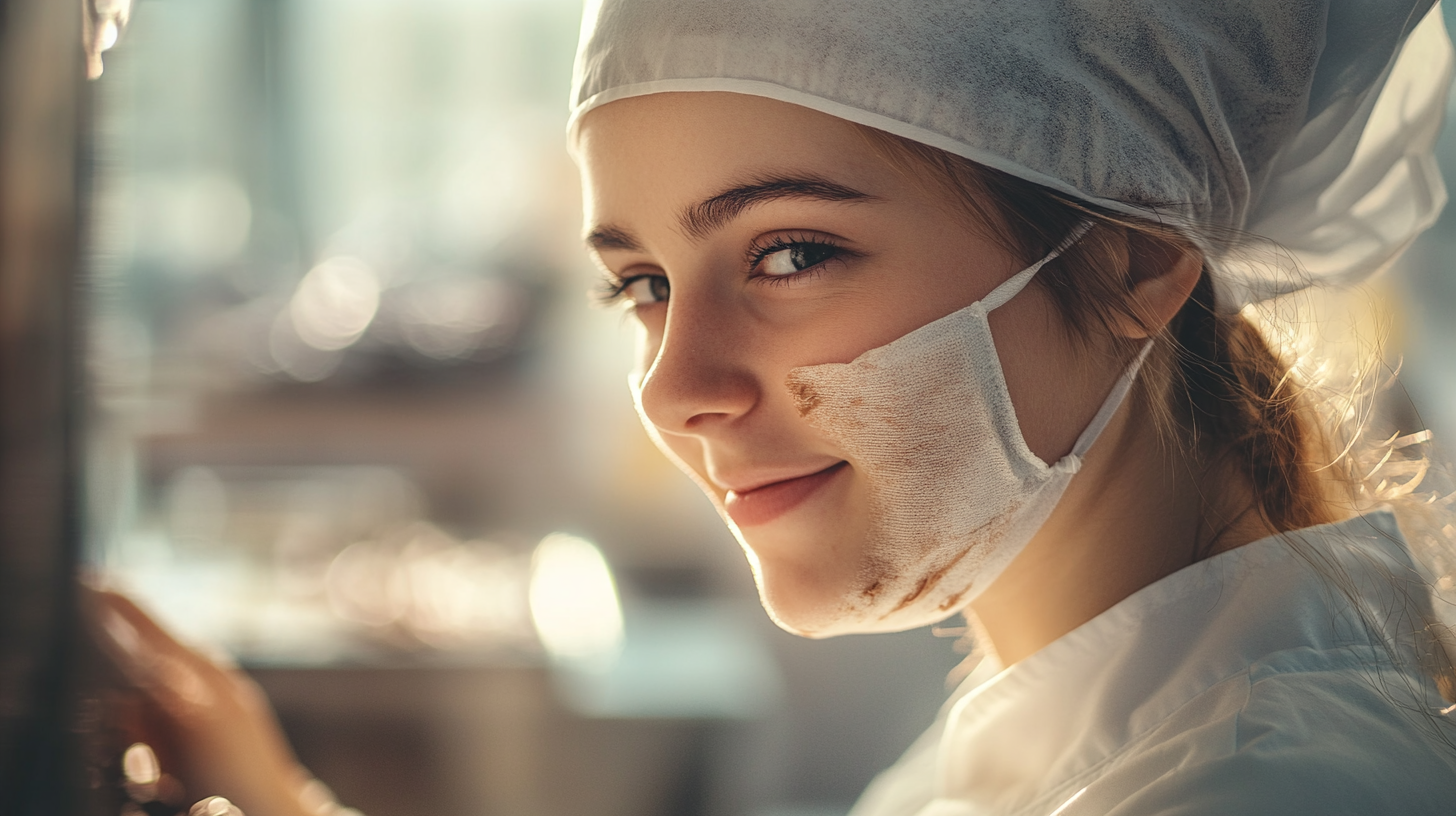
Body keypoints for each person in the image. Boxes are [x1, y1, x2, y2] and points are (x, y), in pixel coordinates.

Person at [94, 0, 1456, 813]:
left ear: (1132, 258)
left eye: (790, 254)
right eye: (640, 283)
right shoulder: (1079, 713)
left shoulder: (1272, 793)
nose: (674, 388)